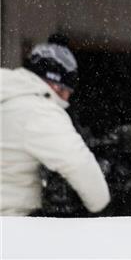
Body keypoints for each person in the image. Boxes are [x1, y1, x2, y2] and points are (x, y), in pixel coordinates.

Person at [1, 40, 110, 216]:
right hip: (10, 224)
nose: (67, 99)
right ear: (56, 84)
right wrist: (100, 205)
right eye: (67, 90)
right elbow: (77, 163)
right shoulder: (40, 111)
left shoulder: (8, 95)